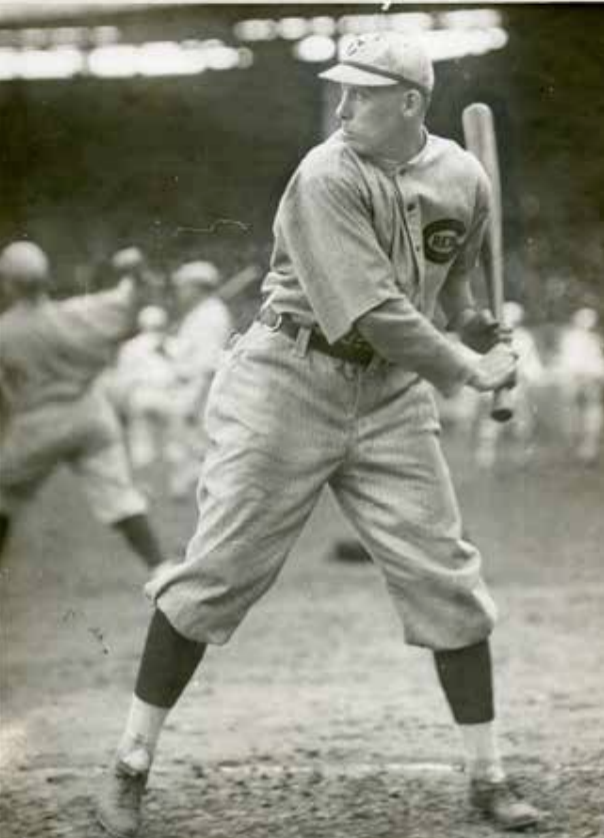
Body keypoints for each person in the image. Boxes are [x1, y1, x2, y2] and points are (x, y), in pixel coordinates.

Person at [96, 32, 542, 836]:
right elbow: (373, 311)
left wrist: (485, 332)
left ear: (410, 102)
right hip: (288, 378)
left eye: (363, 93)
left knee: (447, 578)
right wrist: (467, 370)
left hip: (391, 398)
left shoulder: (462, 175)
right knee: (218, 574)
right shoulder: (326, 172)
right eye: (343, 89)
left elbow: (456, 290)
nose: (344, 105)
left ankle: (489, 777)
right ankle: (130, 765)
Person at [0, 241, 166, 572]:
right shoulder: (77, 314)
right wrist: (134, 270)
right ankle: (161, 568)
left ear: (8, 283)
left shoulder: (5, 332)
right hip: (89, 415)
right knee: (120, 496)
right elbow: (131, 298)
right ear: (45, 277)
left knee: (3, 496)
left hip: (38, 424)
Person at [163, 260, 233, 499]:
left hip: (200, 388)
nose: (179, 292)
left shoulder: (211, 315)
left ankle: (207, 492)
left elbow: (207, 364)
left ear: (198, 288)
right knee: (190, 445)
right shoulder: (199, 314)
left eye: (184, 286)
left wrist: (195, 398)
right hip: (187, 385)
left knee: (200, 445)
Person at [474, 301, 545, 467]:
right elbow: (481, 361)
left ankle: (519, 458)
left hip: (516, 387)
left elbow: (530, 365)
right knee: (490, 424)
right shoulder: (491, 338)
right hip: (494, 386)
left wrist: (532, 377)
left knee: (520, 424)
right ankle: (485, 457)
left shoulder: (524, 338)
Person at [107, 305, 177, 473]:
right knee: (175, 445)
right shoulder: (175, 344)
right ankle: (177, 486)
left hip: (140, 396)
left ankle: (146, 486)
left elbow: (122, 381)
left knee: (141, 445)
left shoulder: (129, 347)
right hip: (168, 396)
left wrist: (121, 407)